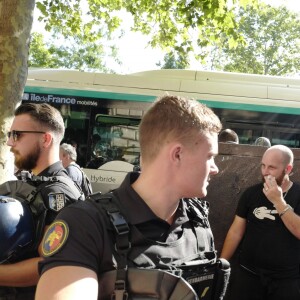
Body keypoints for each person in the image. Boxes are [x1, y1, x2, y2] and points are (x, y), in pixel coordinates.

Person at [36, 95, 225, 300]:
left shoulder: (197, 220)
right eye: (210, 157)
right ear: (177, 154)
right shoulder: (86, 224)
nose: (215, 169)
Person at [0, 103, 83, 300]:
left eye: (17, 135)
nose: (10, 143)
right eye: (10, 135)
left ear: (45, 139)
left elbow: (50, 262)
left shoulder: (59, 194)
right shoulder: (28, 182)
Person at [220, 145, 300, 300]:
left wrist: (278, 201)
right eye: (263, 165)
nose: (265, 172)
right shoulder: (251, 193)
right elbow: (236, 232)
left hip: (286, 281)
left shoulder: (298, 194)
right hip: (248, 276)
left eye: (271, 167)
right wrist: (222, 264)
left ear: (288, 169)